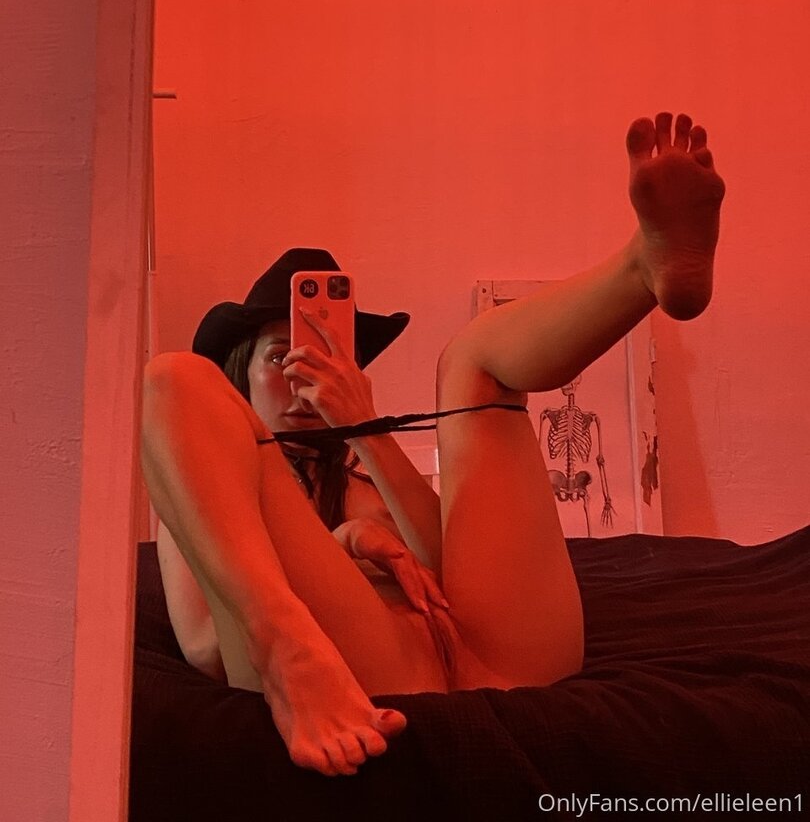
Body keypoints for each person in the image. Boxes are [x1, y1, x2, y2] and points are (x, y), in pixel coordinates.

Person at [140, 112, 725, 778]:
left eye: (327, 354)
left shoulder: (366, 477)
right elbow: (205, 647)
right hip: (356, 670)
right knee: (172, 377)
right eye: (280, 356)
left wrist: (369, 430)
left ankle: (645, 263)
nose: (301, 373)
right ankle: (288, 653)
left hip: (494, 656)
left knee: (470, 357)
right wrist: (344, 545)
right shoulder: (206, 488)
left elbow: (467, 575)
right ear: (240, 373)